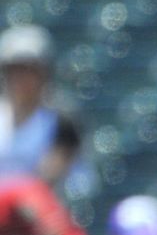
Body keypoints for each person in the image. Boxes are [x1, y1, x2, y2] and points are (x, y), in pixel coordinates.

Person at [0, 24, 95, 198]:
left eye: (30, 69)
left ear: (44, 73)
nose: (21, 78)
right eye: (15, 69)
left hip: (42, 220)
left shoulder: (61, 121)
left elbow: (49, 178)